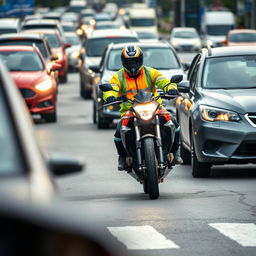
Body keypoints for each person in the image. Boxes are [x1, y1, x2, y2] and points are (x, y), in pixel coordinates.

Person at [103, 45, 183, 170]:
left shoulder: (150, 72)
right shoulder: (118, 77)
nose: (132, 64)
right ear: (124, 62)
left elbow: (163, 80)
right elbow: (112, 87)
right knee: (119, 131)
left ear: (140, 59)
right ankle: (122, 157)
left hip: (154, 106)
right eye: (129, 61)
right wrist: (109, 96)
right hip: (130, 110)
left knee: (173, 123)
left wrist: (171, 88)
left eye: (135, 60)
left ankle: (176, 151)